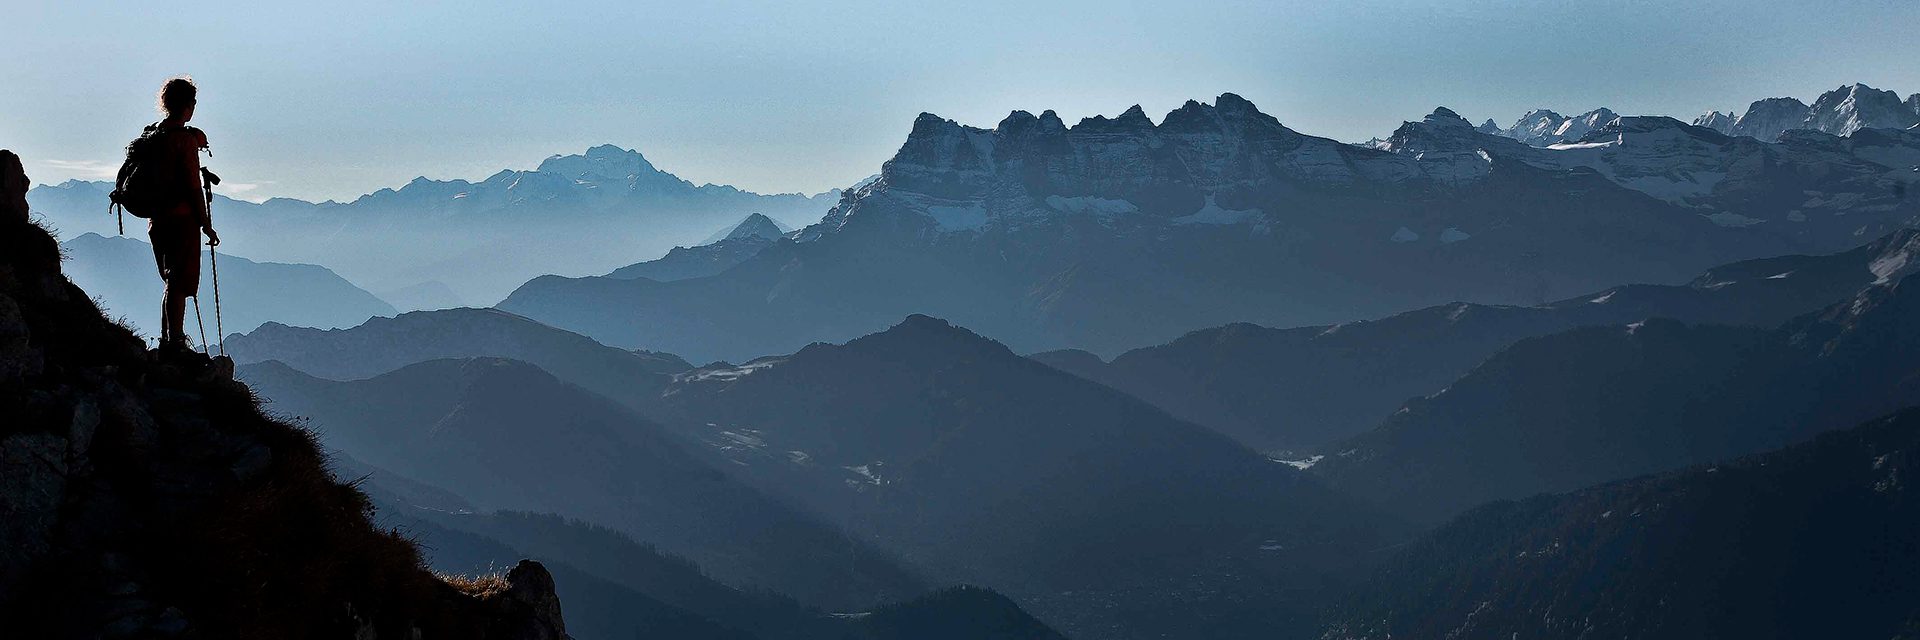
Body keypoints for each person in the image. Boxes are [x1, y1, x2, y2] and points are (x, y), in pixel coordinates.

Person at [145, 76, 220, 353]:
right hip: (181, 221)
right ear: (189, 105)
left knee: (171, 281)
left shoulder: (153, 136)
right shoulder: (184, 141)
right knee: (180, 283)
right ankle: (175, 341)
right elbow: (192, 187)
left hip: (157, 221)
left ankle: (169, 339)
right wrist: (206, 225)